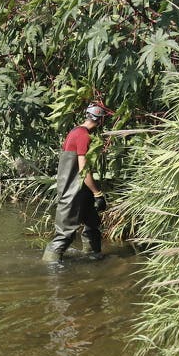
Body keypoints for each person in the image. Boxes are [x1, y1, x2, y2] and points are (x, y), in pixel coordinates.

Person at [44, 103, 110, 264]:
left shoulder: (75, 131)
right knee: (64, 234)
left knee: (92, 225)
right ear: (100, 121)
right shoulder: (83, 136)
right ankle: (49, 267)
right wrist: (98, 193)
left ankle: (93, 258)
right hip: (73, 192)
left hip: (81, 190)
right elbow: (83, 169)